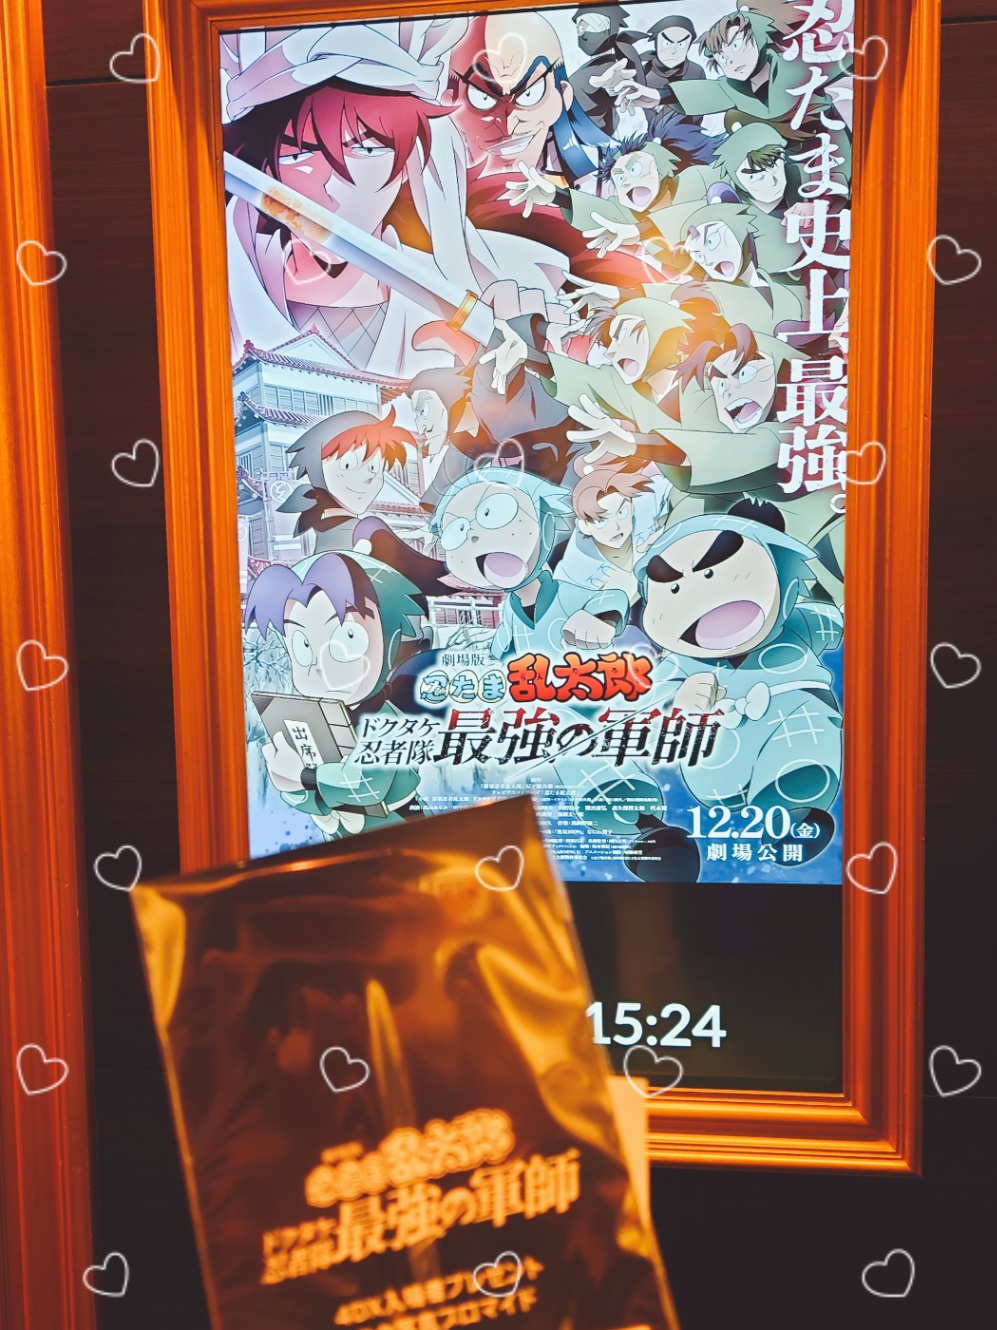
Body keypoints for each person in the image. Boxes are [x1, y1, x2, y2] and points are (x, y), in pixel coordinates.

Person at [221, 21, 566, 377]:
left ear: (408, 163)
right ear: (267, 166)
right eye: (298, 153)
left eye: (367, 148)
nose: (329, 187)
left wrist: (527, 374)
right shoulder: (219, 294)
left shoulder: (478, 293)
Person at [244, 551, 427, 841]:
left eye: (348, 639)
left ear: (391, 641)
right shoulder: (311, 718)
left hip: (403, 835)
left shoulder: (388, 722)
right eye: (303, 646)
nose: (321, 665)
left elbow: (367, 785)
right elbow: (305, 794)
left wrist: (304, 777)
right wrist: (289, 781)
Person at [429, 467, 630, 660]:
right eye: (457, 531)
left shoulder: (564, 593)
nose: (473, 535)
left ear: (543, 519)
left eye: (492, 513)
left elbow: (614, 599)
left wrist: (601, 619)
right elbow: (501, 648)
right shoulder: (511, 609)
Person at [568, 5, 648, 137]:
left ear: (609, 29)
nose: (584, 34)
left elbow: (610, 85)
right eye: (580, 28)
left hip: (597, 138)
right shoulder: (594, 67)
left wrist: (603, 86)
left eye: (591, 27)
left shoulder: (611, 68)